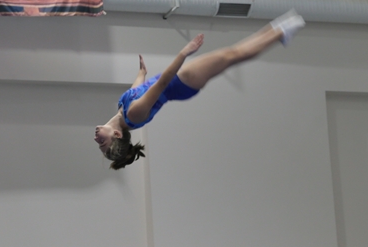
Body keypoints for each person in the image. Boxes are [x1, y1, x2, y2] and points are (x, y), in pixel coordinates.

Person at [95, 10, 305, 170]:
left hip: (179, 81)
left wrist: (141, 72)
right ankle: (280, 33)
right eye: (103, 143)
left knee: (232, 54)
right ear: (116, 134)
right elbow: (161, 84)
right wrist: (183, 53)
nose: (97, 140)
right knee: (232, 55)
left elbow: (138, 89)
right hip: (182, 82)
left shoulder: (123, 110)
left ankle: (278, 29)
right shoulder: (134, 115)